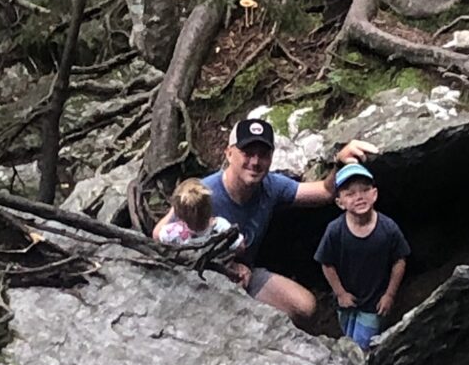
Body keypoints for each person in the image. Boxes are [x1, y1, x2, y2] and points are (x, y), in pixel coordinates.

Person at [152, 118, 378, 327]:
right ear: (229, 154)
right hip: (202, 279)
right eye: (247, 153)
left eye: (263, 154)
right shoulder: (204, 192)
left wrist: (340, 162)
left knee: (305, 307)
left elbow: (325, 192)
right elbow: (160, 234)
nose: (255, 161)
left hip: (245, 277)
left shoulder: (272, 186)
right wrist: (222, 267)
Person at [314, 163, 410, 350]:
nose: (359, 197)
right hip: (346, 302)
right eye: (350, 194)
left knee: (361, 346)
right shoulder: (335, 230)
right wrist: (340, 293)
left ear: (374, 194)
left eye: (365, 191)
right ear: (339, 202)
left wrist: (390, 295)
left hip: (373, 304)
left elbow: (400, 260)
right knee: (348, 338)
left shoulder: (388, 229)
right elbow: (326, 262)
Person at [156, 178, 243, 250]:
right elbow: (241, 246)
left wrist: (173, 209)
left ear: (178, 215)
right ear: (210, 208)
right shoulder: (220, 227)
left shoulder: (172, 232)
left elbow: (156, 236)